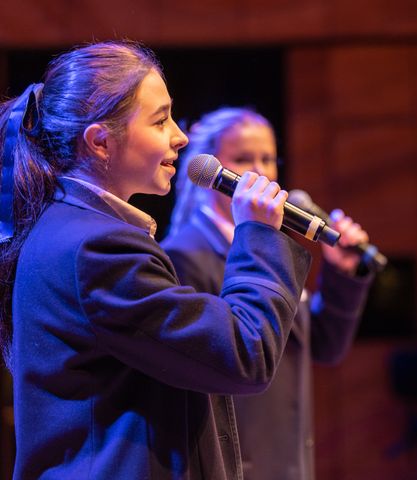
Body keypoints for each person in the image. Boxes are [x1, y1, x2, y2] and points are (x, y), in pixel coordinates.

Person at [0, 41, 312, 479]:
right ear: (101, 142)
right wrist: (258, 233)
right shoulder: (98, 249)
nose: (180, 137)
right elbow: (244, 355)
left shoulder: (67, 228)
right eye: (161, 120)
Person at [163, 107, 374, 480]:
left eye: (268, 158)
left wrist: (342, 274)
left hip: (289, 458)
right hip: (239, 464)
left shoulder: (270, 248)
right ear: (212, 171)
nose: (260, 171)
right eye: (243, 159)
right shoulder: (185, 255)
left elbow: (322, 346)